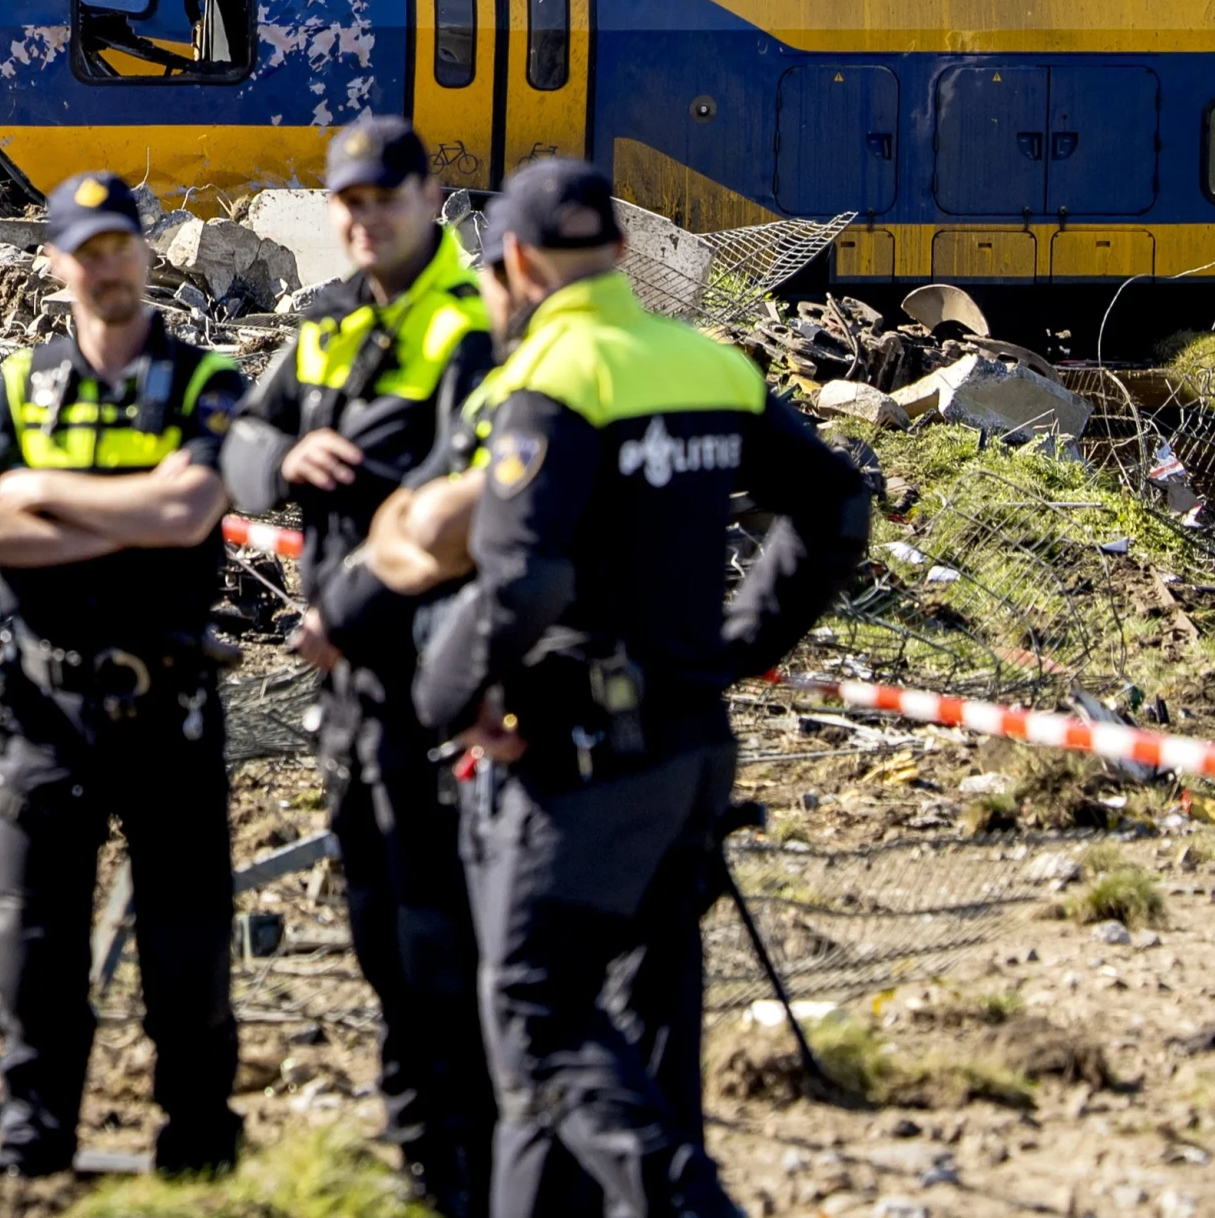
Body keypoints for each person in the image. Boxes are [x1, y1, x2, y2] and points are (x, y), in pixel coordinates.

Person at [365, 158, 870, 1218]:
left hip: (582, 763)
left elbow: (525, 579)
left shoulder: (550, 384)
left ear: (512, 264)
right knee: (650, 1029)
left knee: (537, 1009)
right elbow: (835, 511)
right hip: (689, 751)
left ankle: (691, 1206)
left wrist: (442, 699)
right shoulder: (705, 364)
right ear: (624, 255)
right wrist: (737, 645)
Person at [0, 170, 248, 1177]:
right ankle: (36, 1145)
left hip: (169, 700)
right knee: (34, 945)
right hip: (41, 703)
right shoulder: (22, 382)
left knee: (188, 945)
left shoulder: (204, 381)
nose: (106, 265)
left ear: (144, 253)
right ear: (57, 261)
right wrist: (122, 503)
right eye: (87, 248)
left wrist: (37, 495)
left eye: (121, 244)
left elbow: (188, 516)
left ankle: (198, 1148)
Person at [220, 118, 499, 1218]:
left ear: (432, 199)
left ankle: (468, 1166)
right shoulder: (327, 324)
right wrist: (282, 454)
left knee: (444, 930)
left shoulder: (475, 327)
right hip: (351, 679)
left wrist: (352, 604)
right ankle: (423, 1155)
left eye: (385, 197)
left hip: (445, 672)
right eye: (347, 201)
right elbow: (238, 449)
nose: (363, 217)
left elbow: (464, 491)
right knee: (382, 925)